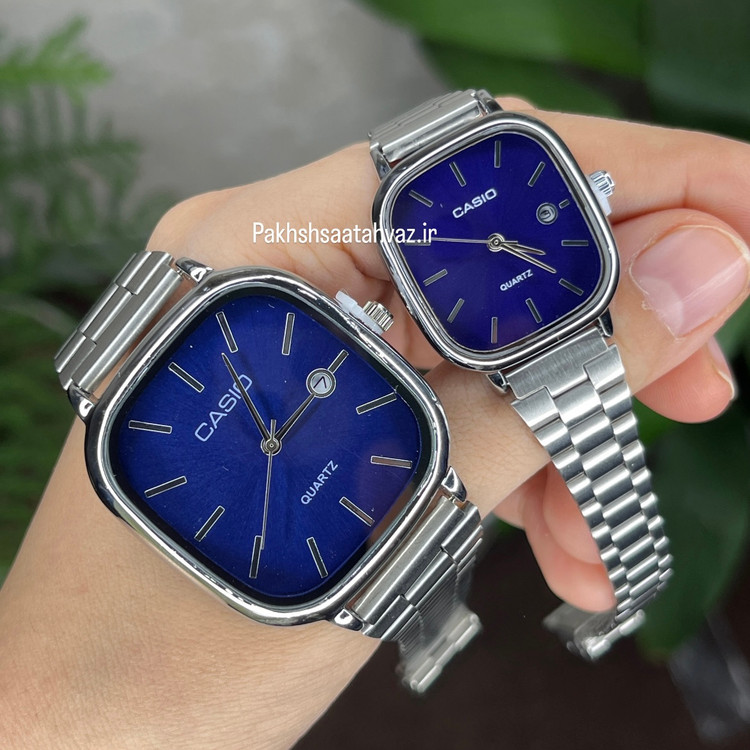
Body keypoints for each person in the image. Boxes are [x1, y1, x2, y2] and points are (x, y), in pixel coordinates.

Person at [0, 98, 747, 749]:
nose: (270, 439)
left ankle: (457, 633)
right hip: (361, 529)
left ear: (362, 322)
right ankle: (442, 635)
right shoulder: (145, 457)